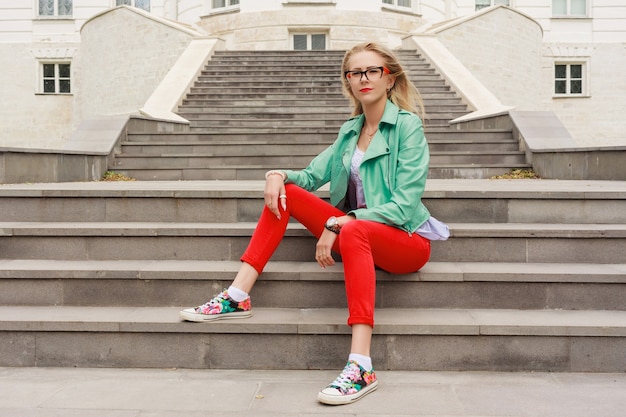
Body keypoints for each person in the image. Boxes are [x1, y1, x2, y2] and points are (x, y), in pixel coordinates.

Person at [180, 41, 449, 406]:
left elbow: (404, 205)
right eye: (355, 73)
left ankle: (361, 366)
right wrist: (277, 174)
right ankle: (238, 295)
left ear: (390, 79)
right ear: (348, 82)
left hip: (405, 241)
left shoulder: (407, 127)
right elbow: (310, 175)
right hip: (355, 234)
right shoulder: (350, 131)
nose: (363, 78)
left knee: (352, 227)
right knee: (287, 190)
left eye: (373, 71)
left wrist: (342, 221)